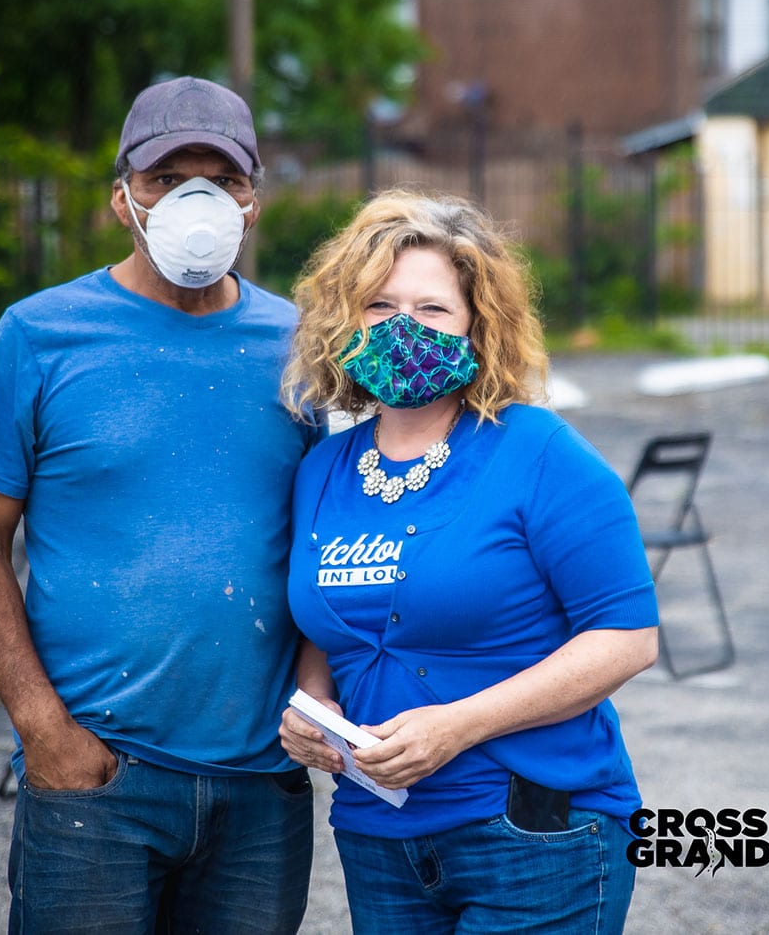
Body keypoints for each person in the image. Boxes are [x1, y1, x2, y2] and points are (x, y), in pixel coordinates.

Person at [0, 76, 323, 934]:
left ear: (253, 200)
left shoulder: (302, 349)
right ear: (123, 199)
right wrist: (45, 731)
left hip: (262, 790)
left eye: (221, 180)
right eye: (165, 177)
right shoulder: (40, 336)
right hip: (97, 781)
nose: (197, 199)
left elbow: (334, 536)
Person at [277, 189, 659, 935]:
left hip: (534, 834)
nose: (402, 330)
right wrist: (311, 707)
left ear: (479, 328)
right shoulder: (321, 470)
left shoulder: (541, 454)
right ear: (344, 323)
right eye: (379, 307)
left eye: (432, 310)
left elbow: (627, 638)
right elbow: (325, 620)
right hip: (376, 836)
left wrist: (456, 726)